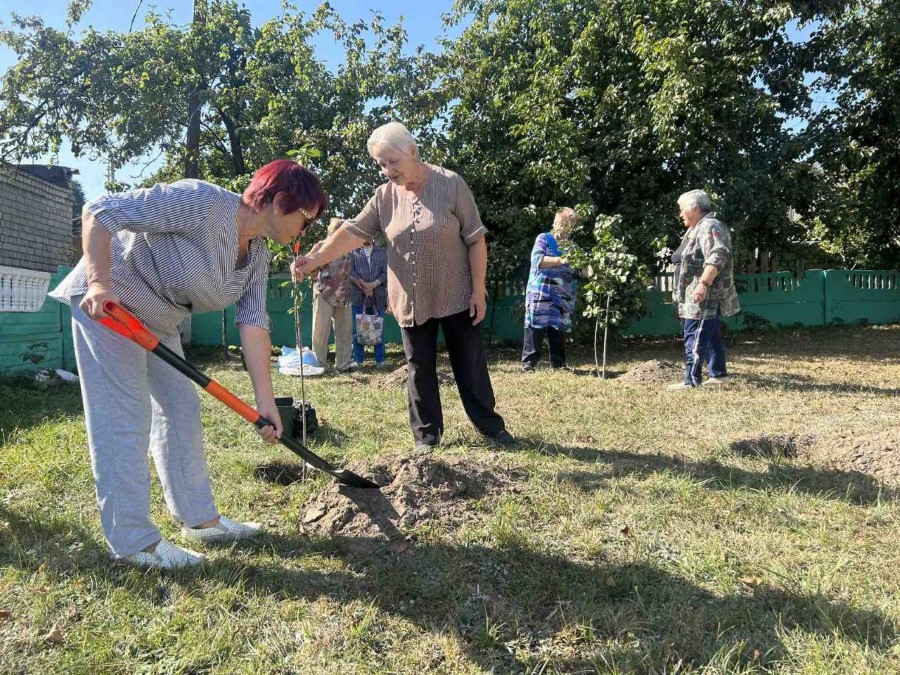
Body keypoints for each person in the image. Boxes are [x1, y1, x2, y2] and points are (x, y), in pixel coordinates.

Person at [48, 159, 327, 568]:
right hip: (110, 308)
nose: (306, 231)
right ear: (281, 202)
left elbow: (253, 324)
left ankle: (200, 520)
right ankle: (133, 543)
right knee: (124, 416)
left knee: (181, 407)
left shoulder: (258, 255)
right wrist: (98, 282)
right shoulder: (204, 203)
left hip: (158, 321)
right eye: (307, 220)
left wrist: (265, 401)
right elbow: (101, 210)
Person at [291, 121, 517, 452]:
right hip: (410, 299)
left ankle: (490, 427)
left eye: (392, 161)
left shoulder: (451, 185)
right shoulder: (384, 197)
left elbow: (476, 239)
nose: (387, 171)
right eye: (381, 164)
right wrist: (315, 259)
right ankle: (426, 437)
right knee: (418, 368)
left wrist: (478, 288)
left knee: (469, 363)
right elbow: (351, 232)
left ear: (412, 151)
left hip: (456, 294)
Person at [667, 189, 740, 389]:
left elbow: (717, 256)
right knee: (710, 334)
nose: (680, 214)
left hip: (703, 294)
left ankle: (691, 380)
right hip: (696, 293)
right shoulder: (697, 227)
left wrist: (703, 284)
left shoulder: (710, 226)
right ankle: (719, 375)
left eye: (682, 210)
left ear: (695, 208)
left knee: (695, 336)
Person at [521, 207, 584, 371]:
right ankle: (528, 364)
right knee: (535, 326)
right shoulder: (544, 239)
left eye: (571, 223)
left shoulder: (573, 247)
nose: (567, 226)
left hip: (562, 297)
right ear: (556, 222)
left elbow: (580, 270)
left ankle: (558, 364)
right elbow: (538, 260)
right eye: (565, 222)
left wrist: (594, 270)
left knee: (558, 328)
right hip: (541, 293)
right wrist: (561, 259)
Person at [311, 218, 354, 372]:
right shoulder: (322, 245)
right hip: (324, 292)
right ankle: (319, 365)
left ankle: (343, 365)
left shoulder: (349, 246)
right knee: (320, 330)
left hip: (344, 294)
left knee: (345, 331)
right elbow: (309, 263)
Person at [349, 237, 388, 367]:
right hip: (359, 297)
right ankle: (358, 360)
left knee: (378, 328)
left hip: (378, 297)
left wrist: (373, 285)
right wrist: (363, 286)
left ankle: (380, 360)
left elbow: (386, 272)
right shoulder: (353, 251)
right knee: (358, 330)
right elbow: (350, 272)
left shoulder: (381, 252)